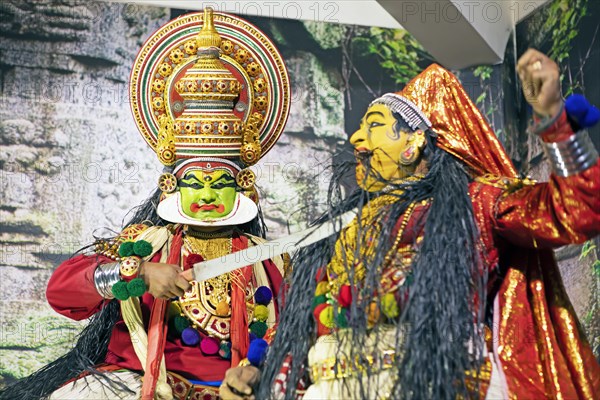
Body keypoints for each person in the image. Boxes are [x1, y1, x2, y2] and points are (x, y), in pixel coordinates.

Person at [222, 49, 600, 399]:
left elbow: (577, 211)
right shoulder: (336, 231)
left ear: (414, 143)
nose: (356, 138)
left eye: (373, 125)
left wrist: (555, 123)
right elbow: (297, 321)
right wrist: (256, 368)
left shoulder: (474, 203)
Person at [0, 8, 290, 400]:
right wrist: (137, 274)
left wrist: (257, 370)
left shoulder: (267, 261)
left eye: (219, 183)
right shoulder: (141, 244)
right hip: (141, 385)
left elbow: (290, 333)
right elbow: (61, 292)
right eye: (194, 183)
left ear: (243, 186)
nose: (206, 195)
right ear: (171, 185)